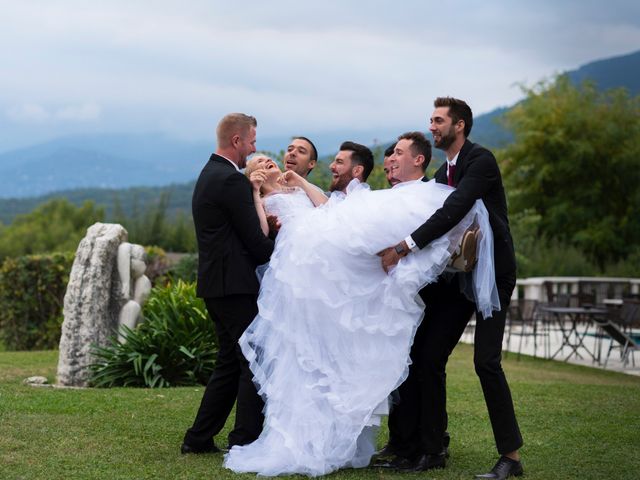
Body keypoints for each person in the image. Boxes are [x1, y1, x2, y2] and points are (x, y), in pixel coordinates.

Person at [223, 136, 499, 477]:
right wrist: (255, 191)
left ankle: (447, 241)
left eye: (271, 161)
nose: (270, 164)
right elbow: (261, 232)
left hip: (318, 238)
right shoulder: (262, 197)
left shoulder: (296, 188)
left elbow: (325, 206)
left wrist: (299, 181)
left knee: (360, 226)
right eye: (260, 163)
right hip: (301, 258)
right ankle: (400, 440)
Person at [379, 97, 523, 479]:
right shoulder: (443, 171)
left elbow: (454, 209)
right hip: (458, 277)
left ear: (459, 125)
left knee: (486, 362)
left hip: (493, 274)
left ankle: (511, 458)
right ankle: (430, 448)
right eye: (430, 120)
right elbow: (423, 208)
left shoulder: (481, 161)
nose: (432, 126)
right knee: (426, 355)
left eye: (438, 120)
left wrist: (403, 246)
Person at [181, 113, 274, 455]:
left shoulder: (209, 174)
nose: (253, 149)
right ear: (237, 141)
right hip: (234, 285)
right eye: (251, 142)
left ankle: (198, 438)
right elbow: (258, 244)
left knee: (229, 361)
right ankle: (244, 439)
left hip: (216, 284)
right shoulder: (231, 180)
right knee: (252, 359)